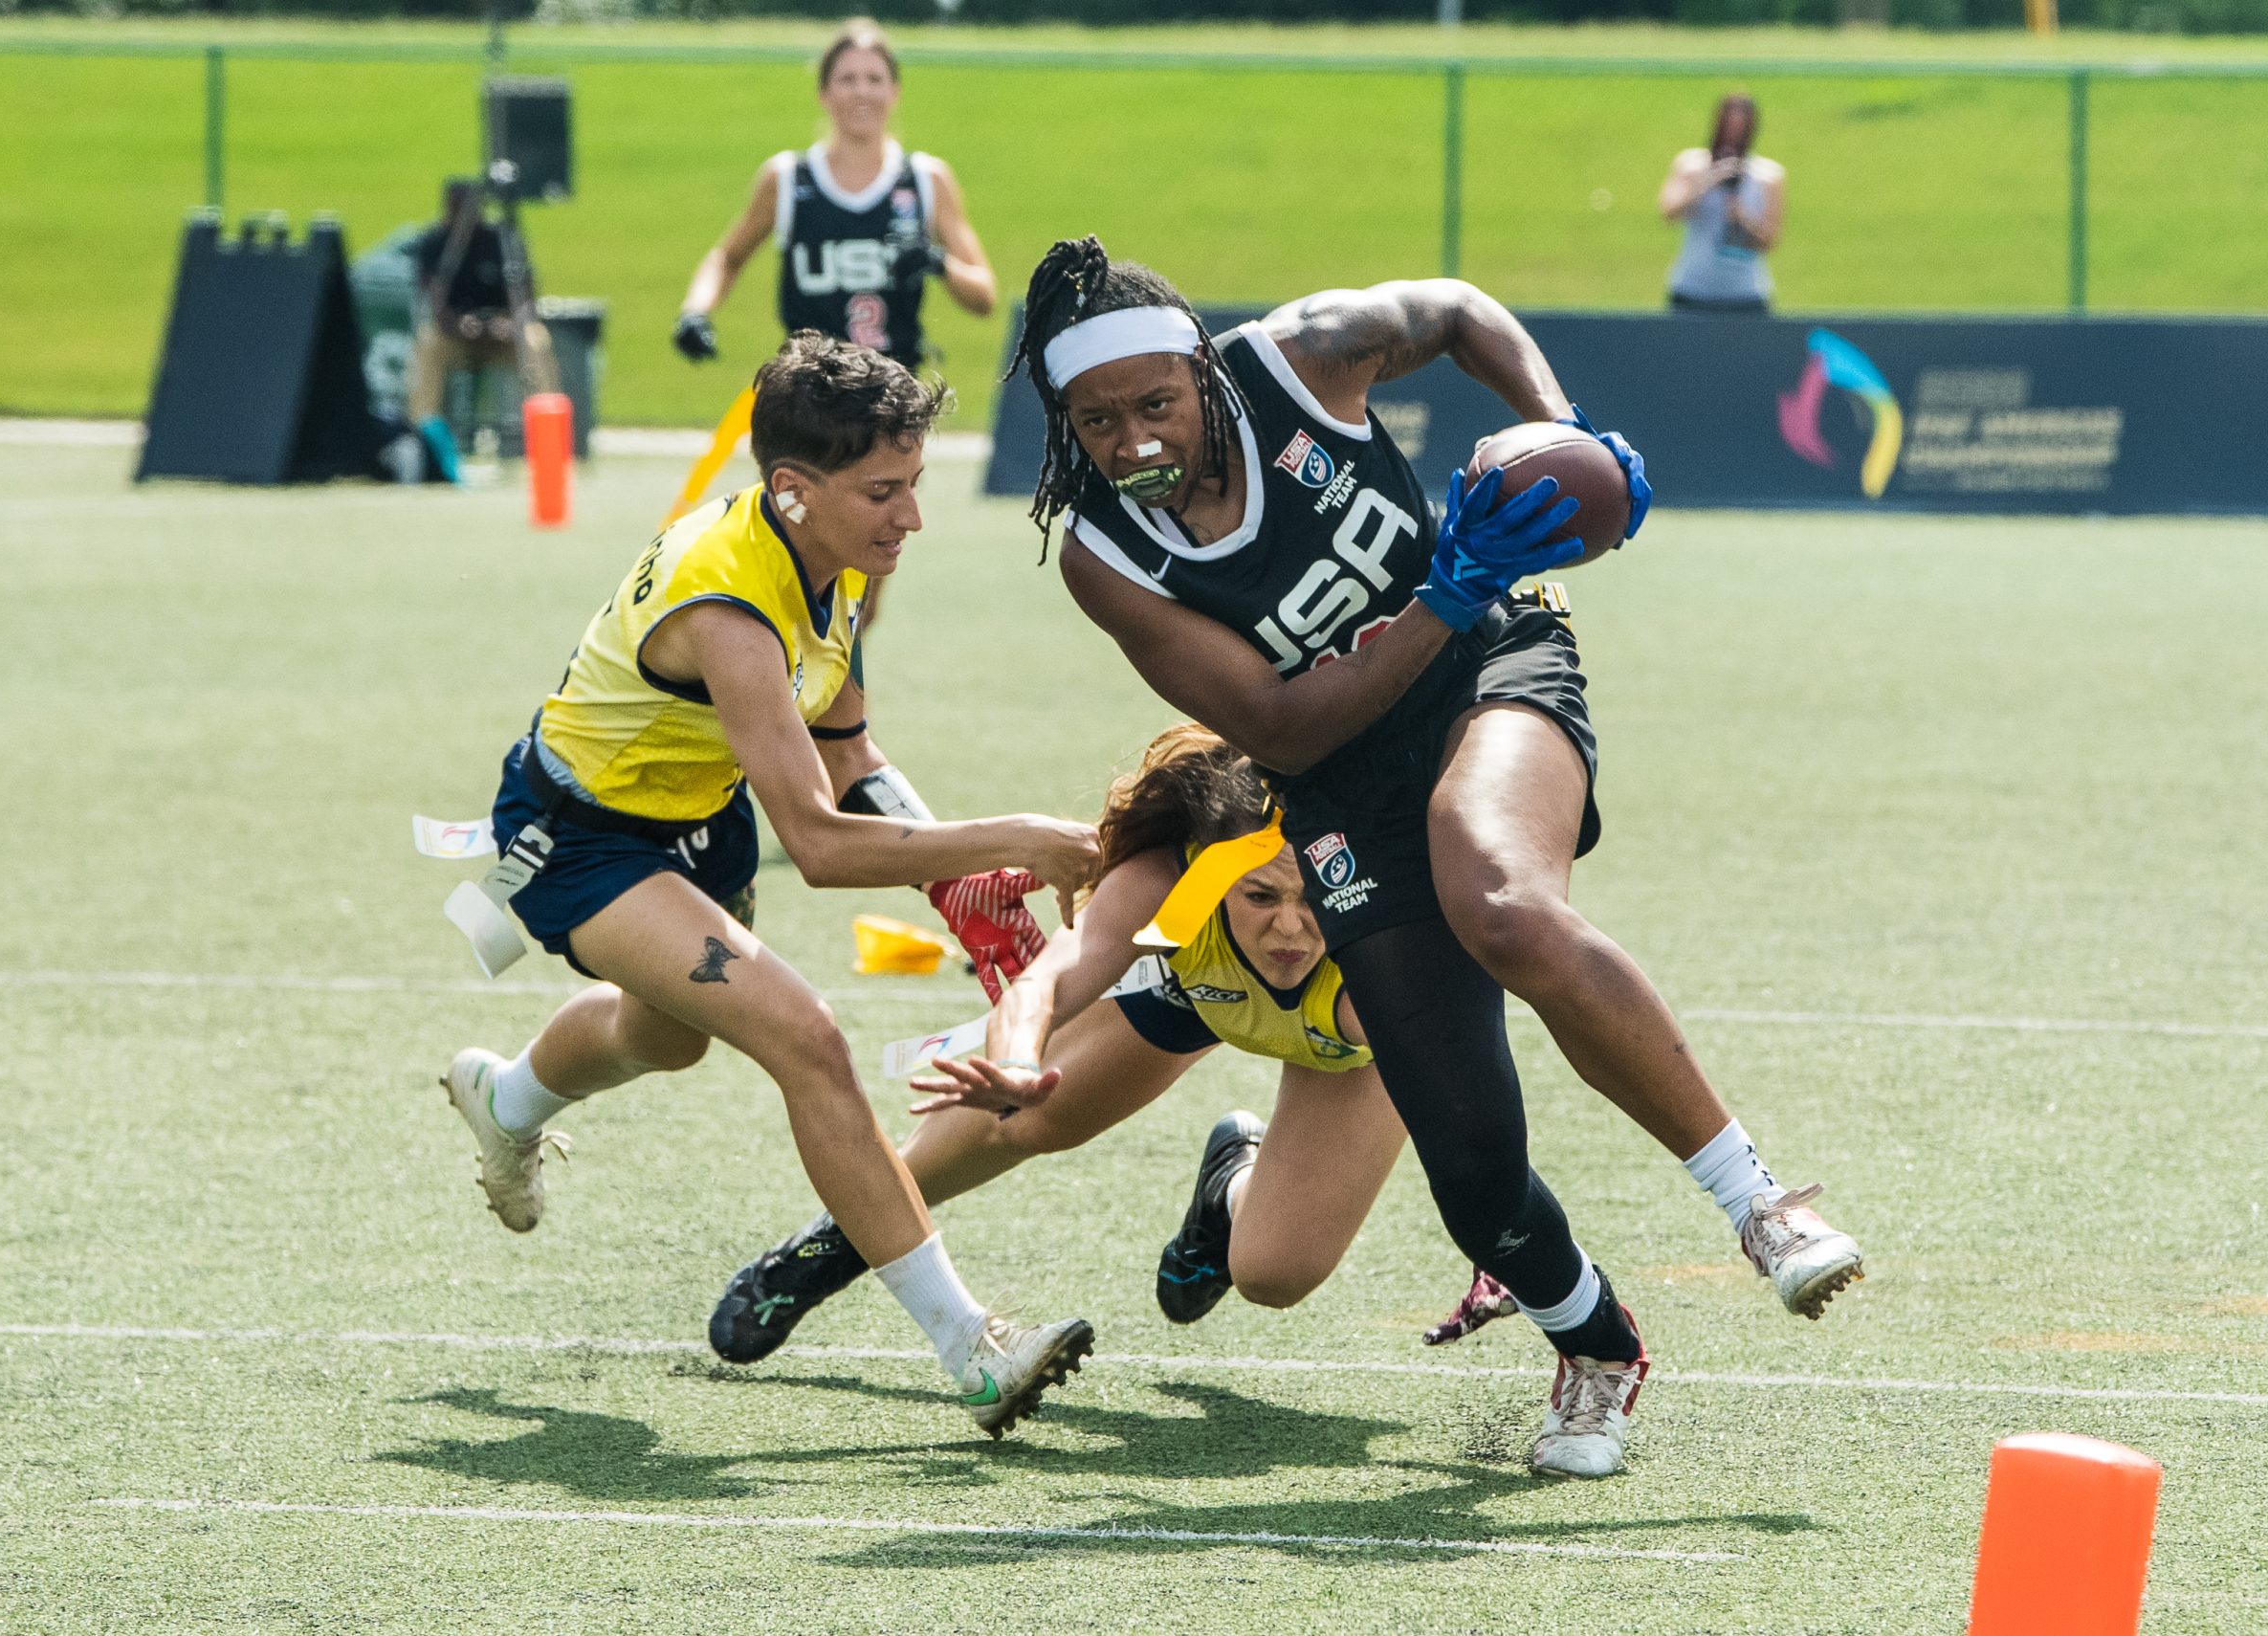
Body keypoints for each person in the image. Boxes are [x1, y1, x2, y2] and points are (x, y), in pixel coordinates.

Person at [1001, 237, 1864, 1478]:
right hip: (1340, 771)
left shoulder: (1298, 359)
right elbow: (1287, 724)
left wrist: (1562, 438)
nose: (1133, 438)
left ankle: (1760, 1203)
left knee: (1500, 898)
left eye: (1155, 404)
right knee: (1473, 1168)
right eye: (1098, 419)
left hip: (1492, 667)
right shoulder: (1104, 552)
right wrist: (1437, 591)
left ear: (1201, 371)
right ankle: (1599, 1346)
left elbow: (1458, 311)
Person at [434, 333, 1099, 1440]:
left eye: (914, 486)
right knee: (808, 1034)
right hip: (578, 839)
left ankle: (502, 1099)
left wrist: (961, 875)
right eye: (883, 492)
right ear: (794, 490)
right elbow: (825, 843)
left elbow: (851, 750)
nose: (911, 517)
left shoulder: (827, 564)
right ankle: (972, 1349)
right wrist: (1016, 836)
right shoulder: (728, 612)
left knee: (669, 1037)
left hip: (695, 823)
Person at [708, 723, 1414, 1364]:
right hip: (1200, 987)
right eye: (1261, 897)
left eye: (1312, 898)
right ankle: (840, 1241)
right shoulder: (1175, 888)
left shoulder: (1387, 963)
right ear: (1209, 868)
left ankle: (1228, 1187)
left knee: (1273, 1273)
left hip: (1343, 1040)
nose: (1290, 929)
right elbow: (1046, 983)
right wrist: (1016, 1064)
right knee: (1027, 1115)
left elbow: (1465, 1104)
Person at [671, 18, 996, 372]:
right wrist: (695, 311)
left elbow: (983, 297)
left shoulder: (925, 179)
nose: (862, 92)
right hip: (808, 394)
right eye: (847, 80)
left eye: (874, 80)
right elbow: (727, 260)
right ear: (823, 93)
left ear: (894, 92)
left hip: (894, 395)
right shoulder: (788, 179)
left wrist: (936, 262)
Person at [408, 178, 559, 455]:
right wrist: (459, 325)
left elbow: (527, 297)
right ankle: (422, 438)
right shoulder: (434, 243)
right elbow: (431, 302)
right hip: (456, 338)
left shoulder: (501, 240)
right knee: (428, 344)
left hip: (503, 336)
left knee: (536, 340)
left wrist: (511, 324)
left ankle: (549, 434)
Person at [1659, 94, 1786, 314]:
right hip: (1692, 290)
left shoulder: (1768, 176)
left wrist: (1742, 217)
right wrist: (1706, 184)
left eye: (1740, 127)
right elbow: (1669, 213)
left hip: (1746, 294)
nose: (1732, 135)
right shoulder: (1691, 166)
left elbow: (1769, 242)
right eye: (1728, 124)